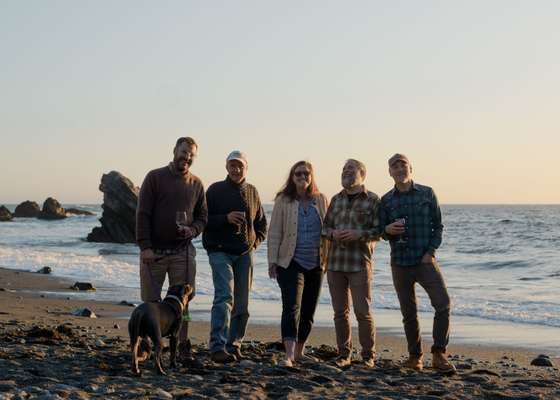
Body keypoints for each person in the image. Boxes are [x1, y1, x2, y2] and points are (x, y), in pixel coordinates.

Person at [380, 153, 455, 373]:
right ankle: (415, 357)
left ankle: (439, 353)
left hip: (424, 260)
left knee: (443, 304)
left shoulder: (427, 193)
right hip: (400, 262)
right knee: (408, 312)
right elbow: (379, 231)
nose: (399, 169)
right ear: (390, 172)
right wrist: (386, 230)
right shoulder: (386, 200)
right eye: (395, 166)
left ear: (411, 168)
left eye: (403, 164)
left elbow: (438, 226)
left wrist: (431, 252)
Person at [136, 136, 207, 362]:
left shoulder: (196, 184)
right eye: (184, 152)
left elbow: (203, 217)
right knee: (151, 302)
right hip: (154, 253)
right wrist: (145, 247)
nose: (187, 157)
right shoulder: (154, 177)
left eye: (191, 155)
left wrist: (193, 230)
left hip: (182, 252)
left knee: (183, 304)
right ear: (175, 150)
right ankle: (147, 345)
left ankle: (182, 345)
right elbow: (142, 214)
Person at [203, 150, 267, 363]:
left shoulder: (252, 191)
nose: (236, 169)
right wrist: (225, 218)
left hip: (244, 254)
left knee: (242, 303)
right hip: (219, 251)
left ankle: (234, 344)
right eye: (232, 165)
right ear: (226, 167)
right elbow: (202, 220)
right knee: (224, 297)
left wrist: (252, 244)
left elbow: (261, 225)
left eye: (240, 166)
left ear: (246, 168)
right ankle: (217, 347)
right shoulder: (214, 190)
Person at [267, 161, 329, 367]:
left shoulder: (320, 200)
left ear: (312, 177)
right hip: (290, 262)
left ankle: (300, 351)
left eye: (306, 173)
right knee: (292, 306)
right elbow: (274, 233)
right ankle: (289, 355)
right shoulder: (283, 200)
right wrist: (272, 261)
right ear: (292, 178)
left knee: (309, 309)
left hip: (316, 264)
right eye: (298, 174)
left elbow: (329, 230)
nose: (303, 177)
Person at [321, 159, 381, 368]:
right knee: (340, 313)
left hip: (359, 263)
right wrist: (332, 233)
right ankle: (344, 354)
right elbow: (324, 228)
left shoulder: (373, 199)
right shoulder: (336, 199)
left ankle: (368, 356)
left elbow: (379, 231)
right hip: (335, 263)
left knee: (362, 312)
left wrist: (358, 234)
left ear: (362, 174)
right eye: (344, 169)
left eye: (351, 169)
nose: (346, 172)